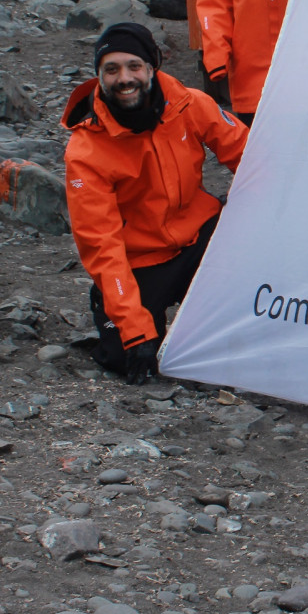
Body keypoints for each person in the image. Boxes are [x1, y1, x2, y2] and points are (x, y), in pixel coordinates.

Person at [63, 23, 249, 385]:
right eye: (111, 69)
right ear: (99, 77)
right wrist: (134, 328)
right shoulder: (86, 151)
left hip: (199, 238)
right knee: (125, 356)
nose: (124, 78)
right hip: (141, 261)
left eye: (134, 66)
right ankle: (119, 312)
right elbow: (101, 245)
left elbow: (250, 158)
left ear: (152, 67)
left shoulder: (188, 104)